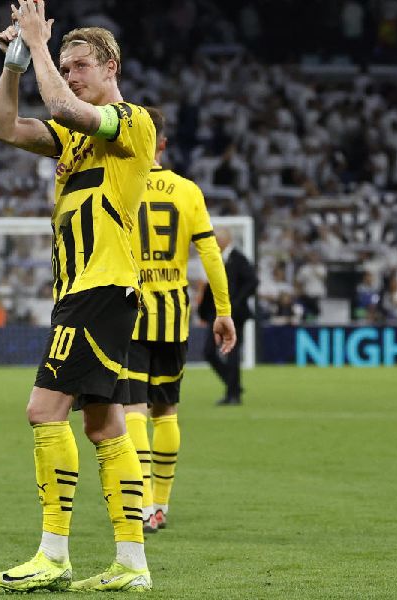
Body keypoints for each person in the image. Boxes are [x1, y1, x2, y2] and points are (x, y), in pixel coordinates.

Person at [0, 1, 162, 592]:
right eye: (67, 63)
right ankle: (132, 565)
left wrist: (37, 42)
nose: (72, 73)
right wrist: (14, 62)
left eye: (80, 63)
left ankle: (53, 553)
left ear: (111, 65)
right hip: (84, 292)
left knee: (42, 411)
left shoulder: (131, 122)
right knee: (106, 425)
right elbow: (3, 129)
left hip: (100, 287)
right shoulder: (71, 140)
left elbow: (62, 103)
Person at [121, 107, 236, 535]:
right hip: (172, 312)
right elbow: (210, 255)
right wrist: (222, 311)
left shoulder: (119, 182)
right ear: (163, 144)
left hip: (128, 311)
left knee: (131, 407)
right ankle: (161, 505)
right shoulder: (187, 191)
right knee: (165, 411)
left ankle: (143, 503)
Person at [198, 228, 257, 405]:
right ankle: (233, 386)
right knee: (209, 352)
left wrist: (236, 302)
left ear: (224, 241)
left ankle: (233, 394)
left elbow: (252, 282)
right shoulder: (216, 260)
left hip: (236, 316)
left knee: (232, 354)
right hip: (216, 315)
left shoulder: (239, 259)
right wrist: (203, 311)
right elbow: (210, 288)